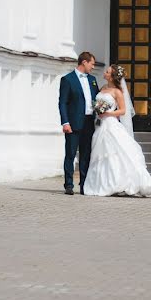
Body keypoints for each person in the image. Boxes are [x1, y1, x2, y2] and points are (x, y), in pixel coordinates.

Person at [83, 64, 151, 197]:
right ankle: (106, 182)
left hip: (111, 124)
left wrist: (107, 113)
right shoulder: (103, 88)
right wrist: (98, 110)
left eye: (107, 72)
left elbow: (123, 110)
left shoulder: (117, 92)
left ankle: (123, 182)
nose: (104, 73)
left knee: (116, 152)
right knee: (102, 154)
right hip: (100, 125)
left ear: (112, 77)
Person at [57, 52, 99, 195]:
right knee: (70, 153)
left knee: (86, 154)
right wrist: (65, 122)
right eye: (92, 64)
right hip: (73, 123)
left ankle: (84, 184)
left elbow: (96, 100)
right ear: (84, 62)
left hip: (89, 122)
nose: (93, 67)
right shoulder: (67, 80)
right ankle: (69, 184)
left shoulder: (93, 80)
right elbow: (62, 103)